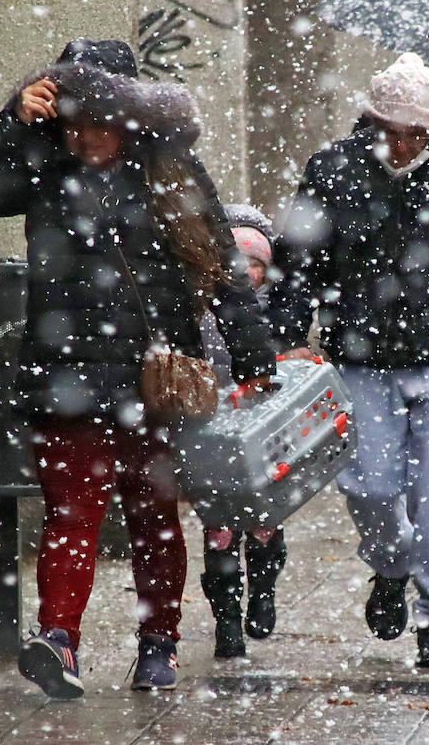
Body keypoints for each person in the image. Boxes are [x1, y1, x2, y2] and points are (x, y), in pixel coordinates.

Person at [0, 39, 276, 698]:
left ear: (130, 117)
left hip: (154, 379)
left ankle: (159, 646)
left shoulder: (170, 170)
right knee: (72, 515)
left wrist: (254, 356)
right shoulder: (43, 163)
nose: (84, 133)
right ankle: (59, 642)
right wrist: (12, 119)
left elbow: (221, 268)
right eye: (72, 117)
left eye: (97, 118)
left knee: (153, 516)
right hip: (64, 376)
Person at [267, 53, 429, 669]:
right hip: (361, 353)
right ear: (370, 120)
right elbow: (297, 261)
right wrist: (290, 333)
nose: (402, 146)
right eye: (391, 131)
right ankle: (389, 566)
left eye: (417, 134)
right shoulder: (334, 169)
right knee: (372, 488)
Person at [196, 204, 287, 657]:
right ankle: (226, 620)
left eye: (257, 264)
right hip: (214, 433)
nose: (248, 273)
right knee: (219, 529)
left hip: (265, 432)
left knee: (266, 522)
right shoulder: (201, 311)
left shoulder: (277, 313)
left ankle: (263, 593)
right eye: (239, 264)